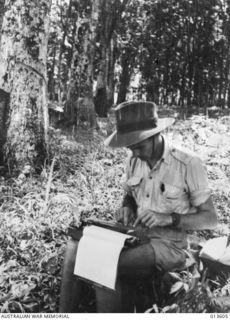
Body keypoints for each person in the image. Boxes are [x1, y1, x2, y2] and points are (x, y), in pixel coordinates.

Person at [59, 100, 218, 313]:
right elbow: (130, 195)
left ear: (155, 135)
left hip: (169, 246)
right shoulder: (134, 160)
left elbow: (211, 219)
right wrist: (127, 206)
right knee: (75, 246)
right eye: (130, 147)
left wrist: (170, 218)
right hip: (136, 235)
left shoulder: (188, 163)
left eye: (139, 146)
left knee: (103, 263)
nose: (134, 153)